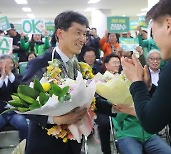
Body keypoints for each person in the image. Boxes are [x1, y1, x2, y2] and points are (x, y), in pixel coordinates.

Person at [23, 11, 114, 154]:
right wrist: (55, 119)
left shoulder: (79, 66)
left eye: (85, 34)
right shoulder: (40, 64)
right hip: (45, 145)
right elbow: (25, 103)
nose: (83, 39)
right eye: (78, 33)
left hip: (73, 144)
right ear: (60, 33)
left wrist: (116, 107)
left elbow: (88, 99)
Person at [121, 0, 171, 153]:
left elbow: (150, 122)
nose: (154, 40)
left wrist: (137, 82)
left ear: (168, 25)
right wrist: (149, 88)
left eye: (153, 32)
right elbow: (170, 104)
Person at [96, 53, 121, 154]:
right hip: (105, 108)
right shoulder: (100, 78)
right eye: (114, 62)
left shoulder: (122, 76)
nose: (117, 65)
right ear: (106, 65)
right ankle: (106, 151)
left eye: (118, 62)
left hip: (121, 107)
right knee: (104, 124)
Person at [0, 55, 28, 142]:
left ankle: (24, 147)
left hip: (14, 112)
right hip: (1, 112)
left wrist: (9, 74)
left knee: (23, 125)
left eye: (9, 63)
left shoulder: (17, 77)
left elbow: (21, 89)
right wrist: (2, 77)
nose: (7, 66)